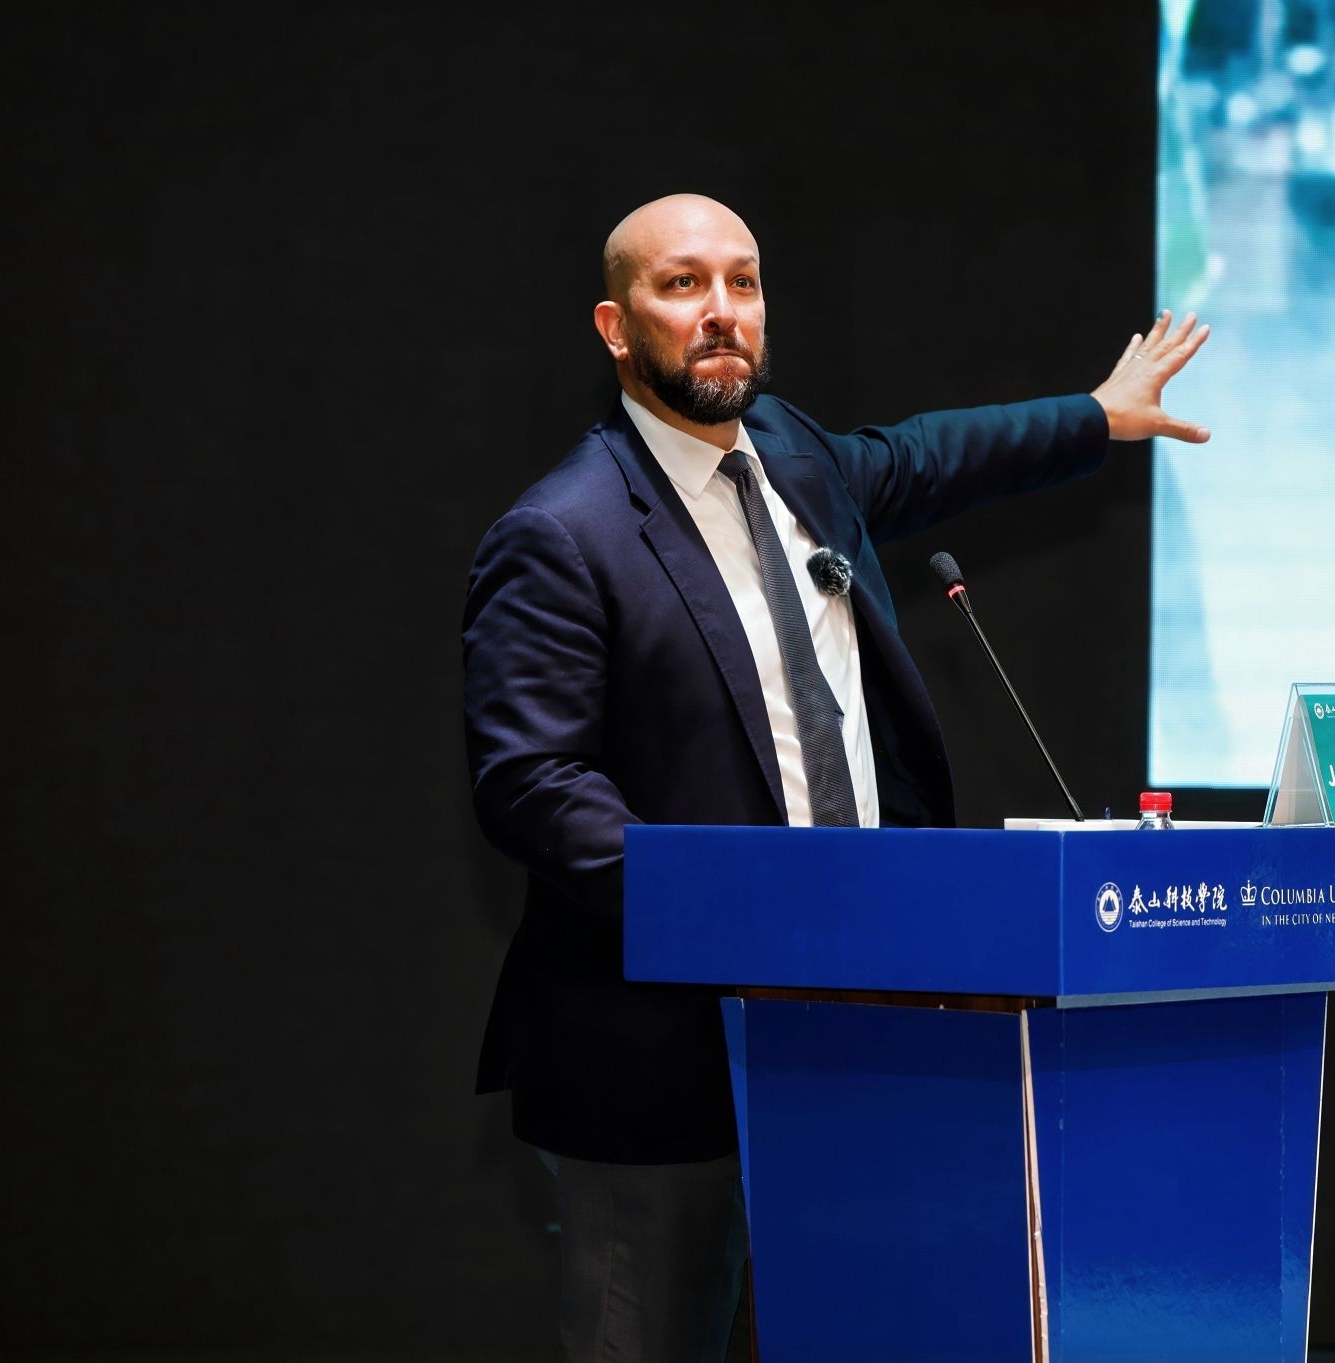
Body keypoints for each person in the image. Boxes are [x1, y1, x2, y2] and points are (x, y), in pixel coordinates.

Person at [461, 193, 1209, 1362]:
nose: (721, 310)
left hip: (853, 1029)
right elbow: (531, 784)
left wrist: (1095, 416)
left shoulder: (794, 458)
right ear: (616, 325)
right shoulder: (563, 532)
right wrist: (742, 915)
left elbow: (922, 457)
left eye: (743, 281)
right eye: (682, 284)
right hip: (658, 1057)